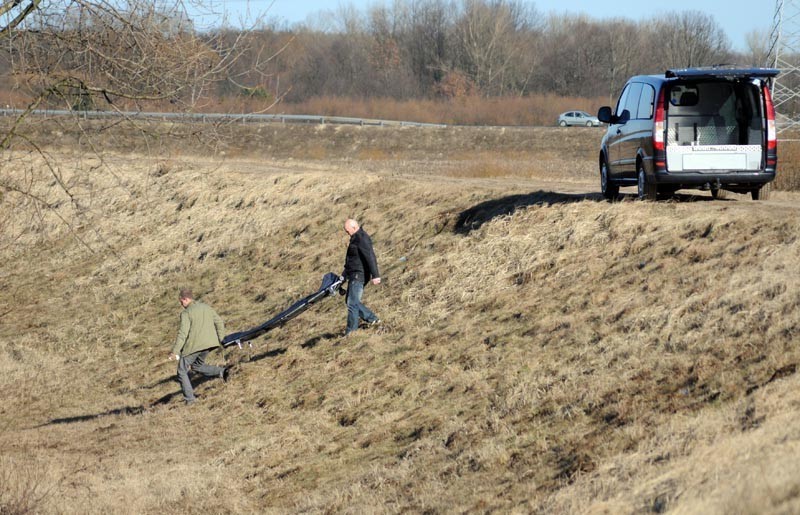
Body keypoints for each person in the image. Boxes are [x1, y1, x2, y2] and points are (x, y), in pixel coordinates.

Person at [169, 288, 230, 405]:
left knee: (181, 371)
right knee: (197, 366)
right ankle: (222, 372)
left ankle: (190, 400)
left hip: (194, 346)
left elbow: (183, 334)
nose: (181, 304)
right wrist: (221, 338)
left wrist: (175, 352)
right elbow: (219, 322)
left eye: (181, 301)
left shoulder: (186, 313)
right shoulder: (206, 307)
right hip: (209, 344)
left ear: (185, 299)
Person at [342, 218, 381, 336]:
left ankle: (351, 332)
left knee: (352, 303)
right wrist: (344, 275)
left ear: (354, 227)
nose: (347, 233)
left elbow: (370, 256)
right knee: (350, 301)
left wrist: (376, 275)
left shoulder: (362, 238)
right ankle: (372, 319)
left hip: (360, 274)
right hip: (353, 274)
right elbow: (351, 259)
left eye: (348, 231)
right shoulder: (355, 238)